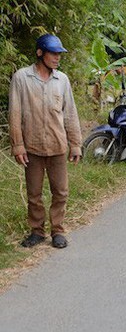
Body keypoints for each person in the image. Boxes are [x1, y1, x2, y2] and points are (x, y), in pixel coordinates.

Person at [9, 34, 82, 249]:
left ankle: (57, 230)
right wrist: (17, 145)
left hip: (58, 146)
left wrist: (75, 143)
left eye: (59, 54)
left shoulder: (62, 80)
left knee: (61, 192)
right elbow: (15, 113)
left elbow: (69, 113)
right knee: (34, 194)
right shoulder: (22, 78)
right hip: (32, 147)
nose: (57, 57)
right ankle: (37, 231)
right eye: (53, 53)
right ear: (40, 53)